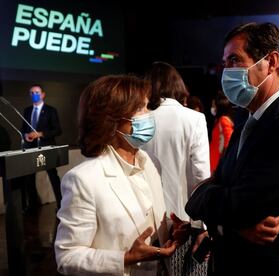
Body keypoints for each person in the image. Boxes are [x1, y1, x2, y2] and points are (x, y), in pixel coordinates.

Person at [185, 22, 279, 275]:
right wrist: (236, 223)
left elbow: (245, 203)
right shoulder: (247, 119)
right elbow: (225, 192)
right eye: (225, 63)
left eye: (234, 60)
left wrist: (203, 195)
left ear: (271, 61)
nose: (226, 71)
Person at [55, 75, 189, 276]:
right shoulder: (83, 179)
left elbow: (147, 222)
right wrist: (126, 258)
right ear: (111, 120)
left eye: (148, 107)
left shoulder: (149, 162)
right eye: (140, 108)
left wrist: (170, 230)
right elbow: (67, 257)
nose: (149, 114)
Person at [143, 61, 210, 222]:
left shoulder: (138, 120)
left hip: (143, 215)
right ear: (178, 86)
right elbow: (201, 174)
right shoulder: (195, 119)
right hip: (182, 215)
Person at [21, 84, 62, 211]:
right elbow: (23, 129)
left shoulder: (50, 110)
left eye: (37, 92)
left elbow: (57, 130)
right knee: (29, 177)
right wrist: (26, 135)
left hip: (46, 147)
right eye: (32, 92)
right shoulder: (27, 110)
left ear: (43, 94)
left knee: (53, 176)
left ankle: (61, 204)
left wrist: (40, 134)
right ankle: (32, 205)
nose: (34, 95)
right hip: (31, 148)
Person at [209, 90, 234, 173]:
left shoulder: (224, 120)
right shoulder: (220, 120)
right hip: (215, 162)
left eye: (213, 105)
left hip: (217, 164)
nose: (212, 108)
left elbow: (229, 141)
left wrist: (223, 162)